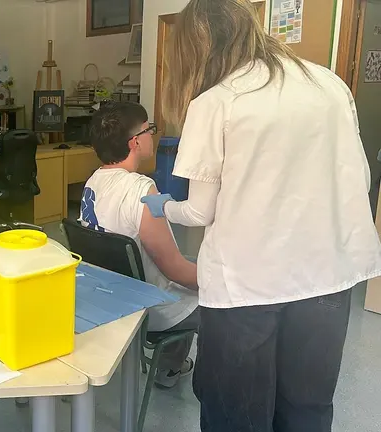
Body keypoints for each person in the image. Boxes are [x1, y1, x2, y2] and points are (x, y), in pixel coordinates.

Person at [140, 1, 381, 431]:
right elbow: (358, 179)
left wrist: (164, 207)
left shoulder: (217, 101)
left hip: (246, 287)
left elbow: (199, 211)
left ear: (197, 45)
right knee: (307, 408)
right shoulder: (328, 83)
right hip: (328, 277)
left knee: (237, 413)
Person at [79, 101, 199, 388]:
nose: (152, 136)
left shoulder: (93, 182)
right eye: (149, 130)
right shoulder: (141, 190)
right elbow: (174, 270)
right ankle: (172, 369)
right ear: (135, 142)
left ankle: (170, 365)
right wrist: (219, 281)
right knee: (217, 298)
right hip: (147, 309)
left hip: (109, 297)